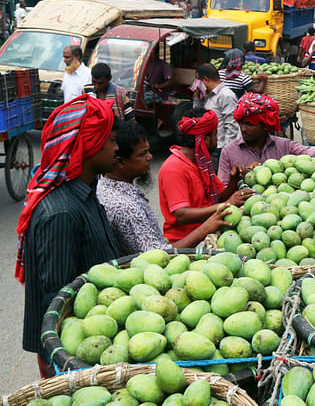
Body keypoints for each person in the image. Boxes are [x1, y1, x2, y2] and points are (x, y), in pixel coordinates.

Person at [17, 95, 118, 377]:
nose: (116, 147)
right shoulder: (61, 213)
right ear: (89, 146)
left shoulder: (84, 193)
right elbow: (60, 303)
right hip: (72, 358)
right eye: (110, 141)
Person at [98, 121, 232, 255]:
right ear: (120, 162)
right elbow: (159, 256)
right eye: (143, 154)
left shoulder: (107, 187)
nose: (150, 157)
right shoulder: (127, 208)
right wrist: (207, 227)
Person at [158, 107, 254, 243]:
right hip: (185, 242)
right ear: (205, 139)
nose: (217, 139)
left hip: (208, 235)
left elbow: (216, 198)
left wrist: (233, 181)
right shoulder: (174, 168)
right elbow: (182, 215)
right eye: (215, 134)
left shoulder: (202, 163)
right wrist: (226, 204)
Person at [218, 93, 315, 184]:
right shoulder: (228, 152)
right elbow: (222, 196)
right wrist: (238, 178)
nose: (243, 129)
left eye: (250, 124)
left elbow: (313, 153)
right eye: (241, 123)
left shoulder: (285, 146)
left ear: (265, 126)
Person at [196, 63, 240, 157]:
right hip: (211, 147)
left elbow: (232, 125)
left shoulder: (226, 95)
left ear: (205, 80)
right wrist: (196, 98)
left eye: (198, 81)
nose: (196, 84)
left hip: (220, 149)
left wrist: (226, 151)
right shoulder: (208, 95)